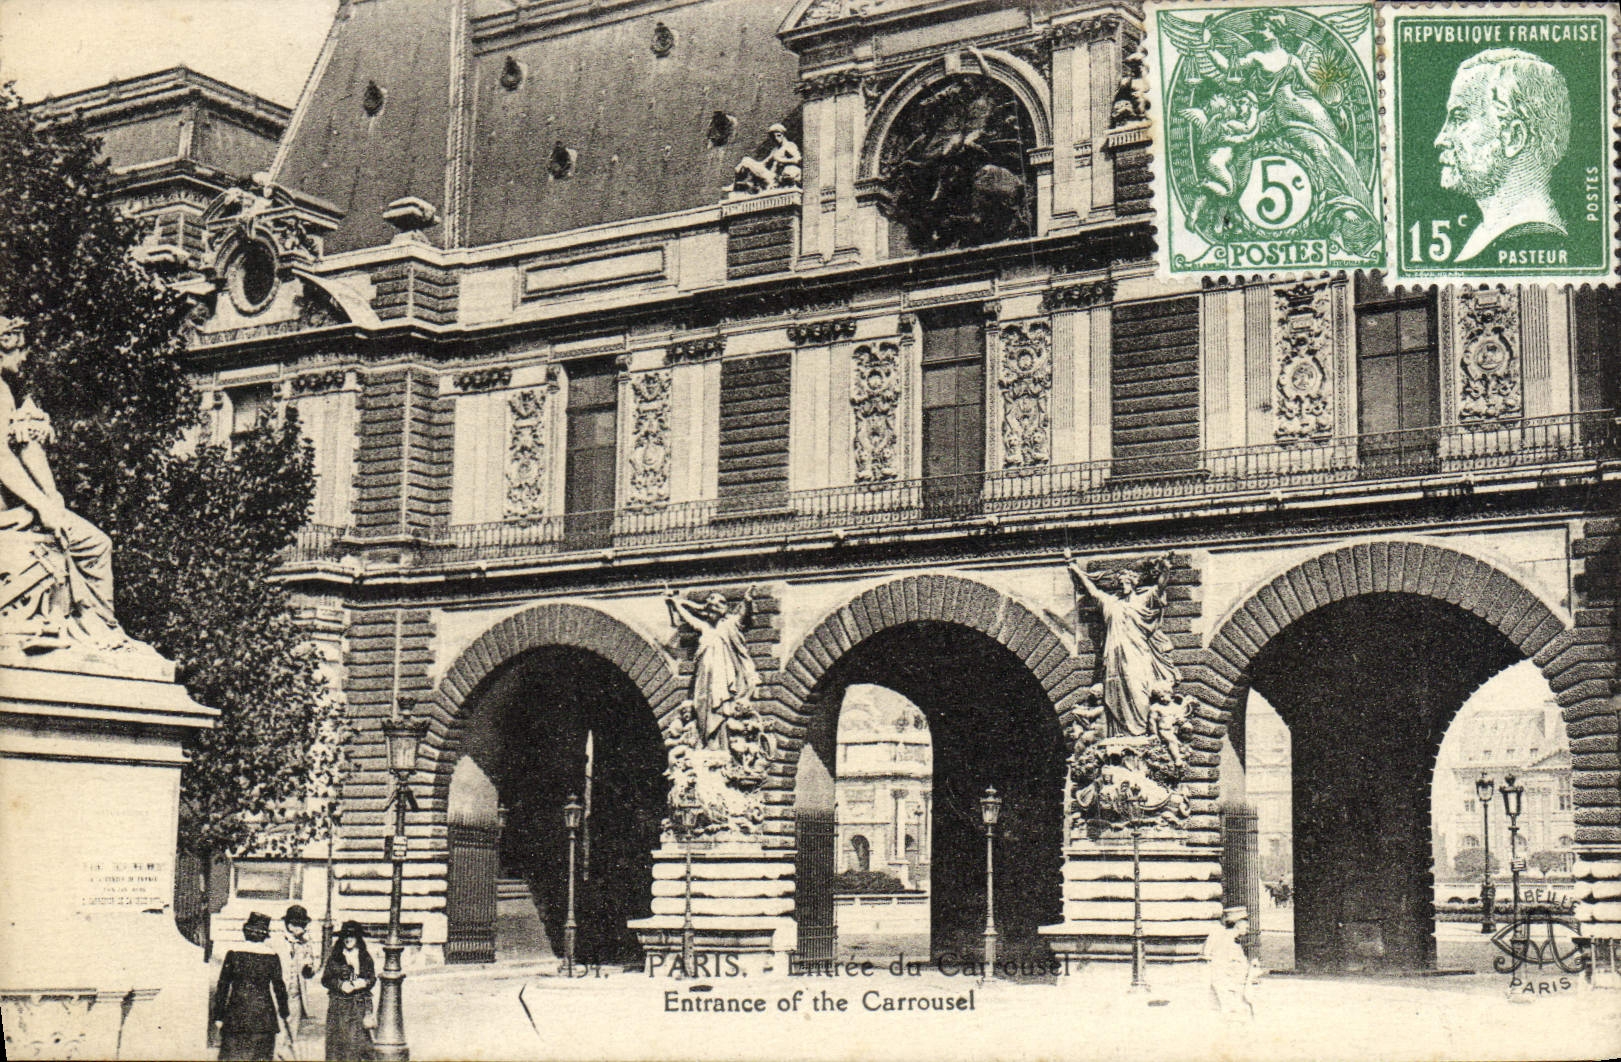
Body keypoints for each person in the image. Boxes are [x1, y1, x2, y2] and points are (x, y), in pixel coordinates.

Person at [0, 315, 124, 650]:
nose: (24, 358)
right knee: (97, 545)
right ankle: (101, 629)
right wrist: (44, 506)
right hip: (9, 514)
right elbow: (1, 459)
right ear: (4, 345)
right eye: (21, 349)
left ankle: (86, 622)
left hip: (14, 507)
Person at [1433, 48, 1571, 263]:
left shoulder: (1534, 237)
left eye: (1459, 118)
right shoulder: (1486, 235)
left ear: (1513, 137)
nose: (1441, 138)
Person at [1066, 553, 1178, 739]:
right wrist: (1074, 567)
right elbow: (1092, 591)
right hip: (1114, 654)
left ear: (1133, 583)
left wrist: (1166, 568)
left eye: (1126, 582)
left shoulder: (1143, 600)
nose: (1122, 585)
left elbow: (1160, 587)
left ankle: (1141, 733)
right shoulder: (1110, 603)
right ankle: (1117, 734)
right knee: (1113, 692)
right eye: (1120, 583)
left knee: (1139, 691)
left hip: (1137, 654)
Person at [664, 585, 757, 749]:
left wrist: (748, 600)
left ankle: (722, 744)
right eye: (710, 608)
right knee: (702, 705)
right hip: (703, 677)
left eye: (716, 608)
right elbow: (688, 618)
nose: (712, 612)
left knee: (722, 707)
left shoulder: (729, 624)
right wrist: (675, 603)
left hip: (722, 677)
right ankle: (706, 742)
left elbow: (743, 614)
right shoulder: (704, 627)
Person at [212, 911, 291, 1061]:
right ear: (265, 935)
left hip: (236, 1017)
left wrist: (219, 1016)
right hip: (264, 1020)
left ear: (245, 932)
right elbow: (279, 988)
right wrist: (284, 1013)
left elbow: (222, 987)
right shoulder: (272, 957)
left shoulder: (233, 954)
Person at [321, 921, 376, 1061]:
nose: (348, 939)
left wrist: (364, 982)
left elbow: (372, 978)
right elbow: (326, 979)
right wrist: (340, 985)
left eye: (352, 936)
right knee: (337, 1046)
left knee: (357, 1044)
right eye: (345, 936)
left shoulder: (364, 957)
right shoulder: (335, 957)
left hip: (358, 1005)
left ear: (358, 938)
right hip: (338, 1006)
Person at [1205, 905, 1258, 1019]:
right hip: (1229, 995)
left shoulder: (1231, 941)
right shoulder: (1226, 942)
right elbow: (1219, 970)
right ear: (1237, 923)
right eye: (1245, 922)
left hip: (1233, 993)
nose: (1248, 926)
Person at [273, 905, 319, 1030]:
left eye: (304, 925)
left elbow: (311, 969)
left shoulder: (306, 943)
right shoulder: (278, 942)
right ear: (290, 925)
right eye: (301, 925)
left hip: (296, 997)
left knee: (293, 1031)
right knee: (279, 1032)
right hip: (279, 995)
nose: (304, 928)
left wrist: (310, 968)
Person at [733, 124, 802, 194]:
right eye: (773, 138)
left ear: (780, 135)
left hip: (775, 179)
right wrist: (747, 166)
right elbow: (763, 163)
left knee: (747, 161)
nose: (775, 140)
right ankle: (736, 185)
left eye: (775, 137)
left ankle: (737, 186)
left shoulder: (789, 145)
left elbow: (797, 159)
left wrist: (781, 160)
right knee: (746, 160)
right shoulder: (775, 150)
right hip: (769, 175)